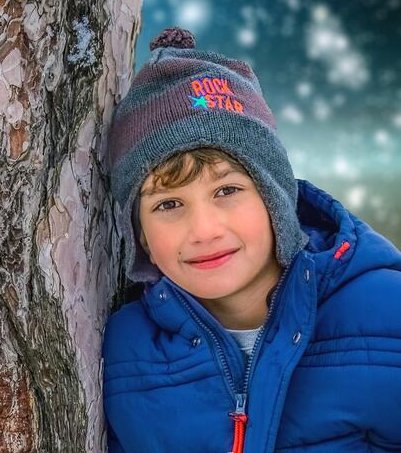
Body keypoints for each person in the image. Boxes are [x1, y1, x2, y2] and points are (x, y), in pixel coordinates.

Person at [102, 27, 401, 452]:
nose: (204, 230)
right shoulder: (125, 353)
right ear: (141, 237)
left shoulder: (386, 315)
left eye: (227, 190)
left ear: (274, 198)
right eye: (168, 204)